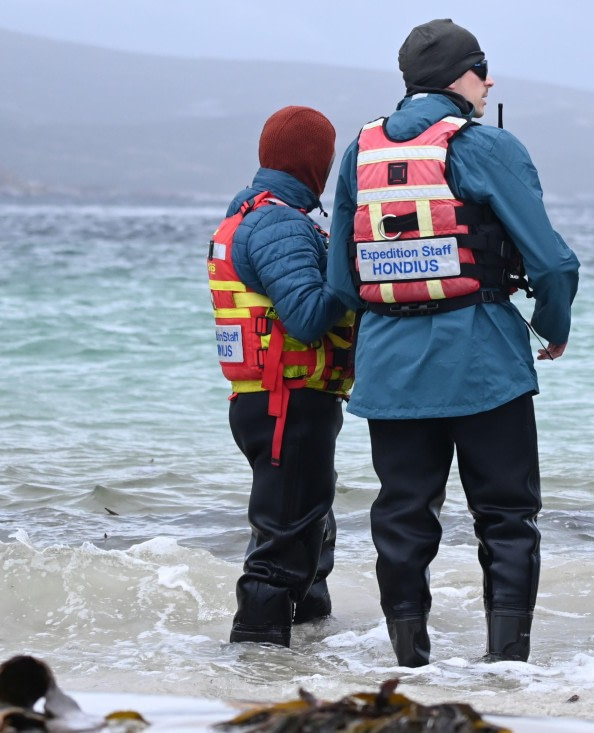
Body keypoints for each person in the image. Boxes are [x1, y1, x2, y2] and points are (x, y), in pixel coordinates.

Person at [327, 19, 579, 667]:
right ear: (457, 78)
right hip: (485, 364)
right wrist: (552, 328)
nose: (488, 80)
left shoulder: (360, 152)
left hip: (389, 374)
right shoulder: (489, 146)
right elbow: (552, 264)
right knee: (507, 516)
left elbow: (342, 280)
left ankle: (410, 664)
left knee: (403, 520)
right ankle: (507, 668)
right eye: (481, 68)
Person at [208, 105, 357, 647]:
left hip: (278, 401)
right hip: (285, 403)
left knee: (308, 528)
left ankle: (310, 643)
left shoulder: (258, 212)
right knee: (284, 539)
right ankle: (256, 655)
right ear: (314, 161)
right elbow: (309, 317)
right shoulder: (278, 223)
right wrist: (351, 270)